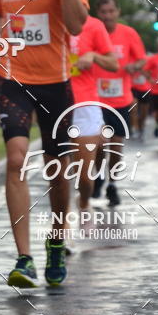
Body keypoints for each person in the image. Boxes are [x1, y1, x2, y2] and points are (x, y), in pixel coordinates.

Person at [0, 0, 88, 288]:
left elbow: (77, 25)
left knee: (58, 172)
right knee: (15, 158)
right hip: (13, 78)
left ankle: (56, 242)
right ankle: (24, 258)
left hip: (56, 84)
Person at [92, 0, 146, 206]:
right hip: (95, 98)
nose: (108, 16)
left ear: (118, 12)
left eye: (111, 11)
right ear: (98, 13)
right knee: (98, 145)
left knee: (115, 145)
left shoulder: (129, 33)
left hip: (120, 99)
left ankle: (112, 185)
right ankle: (98, 176)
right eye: (104, 12)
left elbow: (141, 58)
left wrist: (135, 66)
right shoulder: (93, 32)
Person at [68, 15, 118, 213]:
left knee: (85, 177)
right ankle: (61, 228)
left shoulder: (94, 25)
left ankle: (84, 201)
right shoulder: (46, 20)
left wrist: (93, 56)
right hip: (53, 101)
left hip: (84, 104)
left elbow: (114, 64)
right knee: (58, 173)